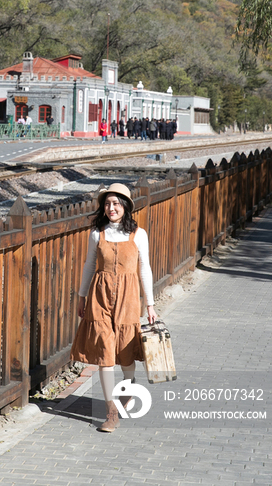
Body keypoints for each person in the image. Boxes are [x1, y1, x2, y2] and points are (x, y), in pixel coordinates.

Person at [70, 183, 157, 432]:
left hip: (129, 298)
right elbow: (89, 265)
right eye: (107, 204)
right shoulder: (98, 233)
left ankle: (128, 387)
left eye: (116, 203)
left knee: (126, 352)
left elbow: (144, 269)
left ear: (126, 206)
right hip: (100, 296)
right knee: (104, 353)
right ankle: (111, 411)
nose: (111, 208)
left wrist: (150, 304)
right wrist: (82, 296)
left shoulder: (139, 234)